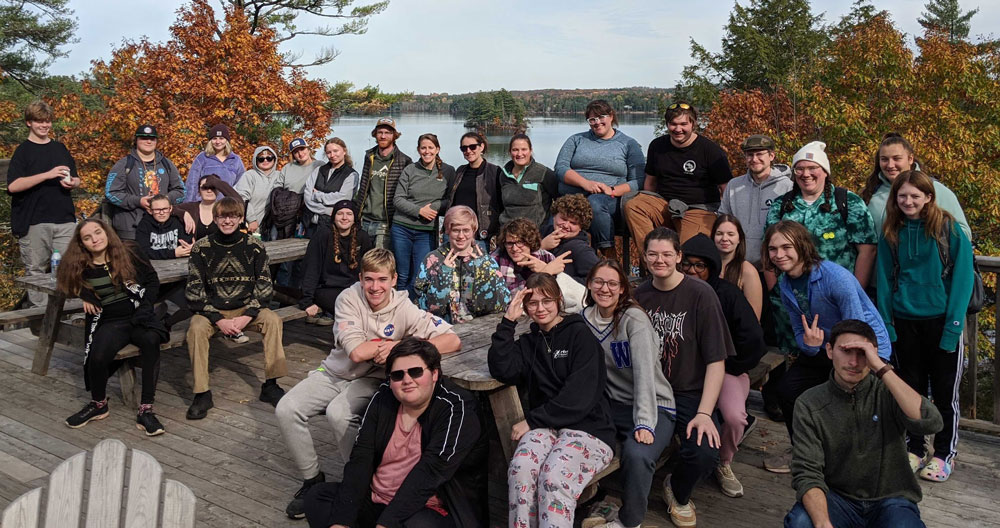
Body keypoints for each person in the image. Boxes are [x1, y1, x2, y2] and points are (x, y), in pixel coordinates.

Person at [276, 248, 461, 520]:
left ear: (394, 279)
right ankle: (312, 478)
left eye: (382, 280)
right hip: (335, 371)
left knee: (339, 413)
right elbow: (356, 352)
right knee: (286, 409)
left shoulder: (403, 307)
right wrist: (389, 347)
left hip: (371, 378)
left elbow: (452, 340)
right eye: (369, 279)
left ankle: (361, 484)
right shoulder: (348, 299)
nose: (375, 287)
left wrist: (401, 346)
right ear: (361, 278)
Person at [302, 337, 487, 528]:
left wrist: (386, 524)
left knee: (421, 525)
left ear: (434, 374)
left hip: (428, 508)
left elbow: (430, 473)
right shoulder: (383, 398)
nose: (407, 380)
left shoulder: (456, 408)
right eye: (397, 375)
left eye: (415, 372)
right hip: (378, 500)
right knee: (319, 497)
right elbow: (361, 459)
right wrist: (340, 522)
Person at [783, 319, 943, 528]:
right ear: (829, 350)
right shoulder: (809, 403)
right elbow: (807, 472)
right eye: (846, 351)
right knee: (800, 523)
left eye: (862, 353)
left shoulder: (888, 390)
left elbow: (931, 422)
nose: (854, 362)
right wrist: (823, 524)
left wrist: (881, 368)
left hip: (891, 498)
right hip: (837, 498)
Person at [488, 273, 615, 528]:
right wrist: (508, 321)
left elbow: (579, 396)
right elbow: (502, 368)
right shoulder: (529, 342)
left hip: (588, 427)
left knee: (553, 477)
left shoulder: (579, 335)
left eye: (547, 301)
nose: (540, 308)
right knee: (521, 468)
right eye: (532, 303)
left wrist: (532, 420)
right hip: (547, 427)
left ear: (558, 300)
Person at [763, 220, 890, 473]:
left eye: (786, 247)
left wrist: (839, 359)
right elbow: (800, 331)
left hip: (864, 349)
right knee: (788, 390)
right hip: (825, 348)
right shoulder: (787, 284)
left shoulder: (835, 278)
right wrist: (811, 347)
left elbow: (857, 329)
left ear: (802, 245)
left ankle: (851, 459)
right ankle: (802, 450)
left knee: (845, 400)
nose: (779, 255)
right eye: (772, 249)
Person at [875, 170, 974, 482]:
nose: (908, 201)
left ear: (928, 197)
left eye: (915, 195)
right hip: (905, 324)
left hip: (941, 322)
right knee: (911, 392)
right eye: (902, 196)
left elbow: (963, 281)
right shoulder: (892, 231)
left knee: (946, 394)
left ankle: (945, 454)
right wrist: (887, 325)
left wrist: (953, 327)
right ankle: (915, 448)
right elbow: (883, 281)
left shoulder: (948, 230)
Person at [634, 227, 731, 527]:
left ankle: (677, 490)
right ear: (645, 257)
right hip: (649, 391)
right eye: (653, 254)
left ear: (678, 256)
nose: (659, 260)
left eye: (666, 254)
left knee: (704, 452)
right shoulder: (639, 296)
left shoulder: (701, 294)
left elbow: (717, 360)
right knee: (632, 447)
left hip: (689, 391)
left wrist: (704, 412)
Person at [580, 260, 676, 528]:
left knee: (638, 454)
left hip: (654, 405)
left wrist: (645, 421)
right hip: (612, 405)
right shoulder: (584, 319)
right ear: (589, 284)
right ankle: (595, 499)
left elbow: (645, 374)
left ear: (623, 288)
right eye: (599, 281)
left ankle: (629, 521)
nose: (605, 288)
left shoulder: (634, 320)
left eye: (613, 283)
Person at [56, 218, 168, 435]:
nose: (94, 239)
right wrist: (84, 294)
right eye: (87, 238)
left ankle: (146, 409)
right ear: (82, 243)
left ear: (107, 232)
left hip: (139, 315)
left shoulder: (130, 252)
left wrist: (145, 308)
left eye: (97, 233)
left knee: (150, 341)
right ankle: (99, 404)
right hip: (109, 321)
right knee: (97, 357)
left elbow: (152, 281)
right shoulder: (80, 264)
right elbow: (64, 282)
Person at [679, 234, 766, 499]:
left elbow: (754, 340)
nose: (693, 271)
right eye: (688, 264)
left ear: (712, 267)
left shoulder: (727, 294)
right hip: (685, 372)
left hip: (726, 368)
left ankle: (724, 461)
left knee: (733, 416)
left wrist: (726, 363)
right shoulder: (674, 290)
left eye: (700, 266)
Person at [184, 197, 287, 420]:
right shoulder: (201, 248)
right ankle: (202, 393)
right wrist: (217, 318)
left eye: (233, 216)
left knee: (272, 320)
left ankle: (271, 384)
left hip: (246, 309)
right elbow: (194, 290)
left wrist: (247, 315)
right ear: (215, 218)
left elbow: (265, 286)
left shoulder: (255, 246)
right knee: (195, 327)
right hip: (212, 312)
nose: (227, 221)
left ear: (241, 218)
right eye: (222, 216)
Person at [765, 141, 877, 289]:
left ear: (825, 171)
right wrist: (774, 291)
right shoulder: (781, 205)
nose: (806, 174)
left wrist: (855, 292)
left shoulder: (848, 202)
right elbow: (768, 249)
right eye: (799, 169)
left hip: (836, 296)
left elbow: (867, 251)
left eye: (812, 168)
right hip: (792, 299)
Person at [624, 102, 731, 249]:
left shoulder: (710, 150)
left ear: (693, 124)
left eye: (683, 124)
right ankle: (652, 258)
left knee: (689, 251)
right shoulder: (657, 146)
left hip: (697, 209)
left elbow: (726, 188)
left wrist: (723, 219)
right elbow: (650, 183)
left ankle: (679, 270)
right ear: (667, 124)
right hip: (664, 206)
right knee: (633, 205)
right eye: (673, 124)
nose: (678, 129)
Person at [7, 100, 81, 307]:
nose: (44, 125)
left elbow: (76, 179)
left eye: (47, 121)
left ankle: (66, 314)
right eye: (39, 121)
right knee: (36, 272)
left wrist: (71, 183)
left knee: (69, 268)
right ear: (29, 123)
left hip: (64, 219)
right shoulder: (23, 151)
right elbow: (13, 186)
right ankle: (39, 319)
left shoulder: (60, 148)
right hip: (33, 221)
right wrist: (47, 175)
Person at [555, 99, 645, 259]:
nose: (597, 122)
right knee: (551, 222)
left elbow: (638, 180)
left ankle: (608, 256)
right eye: (592, 119)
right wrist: (585, 184)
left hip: (608, 199)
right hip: (573, 198)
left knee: (595, 204)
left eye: (601, 117)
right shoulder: (576, 140)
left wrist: (611, 190)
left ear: (611, 116)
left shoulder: (628, 144)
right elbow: (561, 168)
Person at [861, 132, 970, 242]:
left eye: (897, 158)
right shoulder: (871, 192)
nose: (890, 165)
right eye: (884, 159)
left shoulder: (934, 189)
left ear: (910, 159)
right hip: (881, 259)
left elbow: (964, 234)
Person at [414, 206, 510, 323]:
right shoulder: (432, 260)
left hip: (479, 327)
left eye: (466, 230)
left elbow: (498, 305)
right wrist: (443, 275)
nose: (461, 236)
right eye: (456, 230)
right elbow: (425, 306)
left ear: (473, 231)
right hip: (442, 326)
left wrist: (483, 272)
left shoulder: (487, 261)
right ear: (448, 231)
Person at [392, 133, 456, 294]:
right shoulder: (410, 170)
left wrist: (434, 206)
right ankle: (400, 309)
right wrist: (419, 210)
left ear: (437, 149)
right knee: (402, 275)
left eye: (430, 147)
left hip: (425, 232)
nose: (427, 151)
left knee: (419, 275)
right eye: (423, 148)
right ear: (418, 150)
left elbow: (451, 200)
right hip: (402, 228)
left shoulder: (448, 171)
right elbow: (398, 199)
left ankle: (414, 309)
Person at [718, 134, 793, 268]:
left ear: (771, 156)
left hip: (774, 265)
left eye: (759, 154)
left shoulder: (787, 187)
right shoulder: (734, 185)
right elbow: (723, 220)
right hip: (738, 263)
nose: (754, 159)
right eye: (749, 155)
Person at [298, 200, 373, 326]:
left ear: (354, 218)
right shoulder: (322, 235)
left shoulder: (362, 237)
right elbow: (311, 268)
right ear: (334, 217)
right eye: (340, 214)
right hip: (327, 289)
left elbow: (369, 268)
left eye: (349, 214)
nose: (344, 218)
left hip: (353, 288)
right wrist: (307, 300)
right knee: (350, 308)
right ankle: (346, 341)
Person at [105, 124, 184, 241]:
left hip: (162, 230)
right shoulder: (124, 164)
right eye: (143, 138)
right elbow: (111, 193)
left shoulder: (167, 164)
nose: (148, 141)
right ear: (136, 140)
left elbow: (181, 191)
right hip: (131, 230)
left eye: (152, 138)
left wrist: (165, 200)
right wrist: (138, 201)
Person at [355, 117, 414, 249]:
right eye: (380, 132)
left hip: (385, 223)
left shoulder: (404, 161)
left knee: (379, 264)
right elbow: (363, 187)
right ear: (375, 134)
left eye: (387, 133)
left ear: (394, 136)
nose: (383, 136)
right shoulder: (369, 156)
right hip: (364, 220)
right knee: (362, 261)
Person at [136, 194, 195, 328]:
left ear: (170, 209)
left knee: (192, 303)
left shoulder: (178, 223)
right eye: (157, 210)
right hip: (153, 280)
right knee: (145, 310)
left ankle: (166, 323)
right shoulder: (144, 225)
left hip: (177, 278)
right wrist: (173, 253)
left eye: (165, 209)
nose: (161, 212)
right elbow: (142, 251)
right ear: (150, 211)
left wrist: (191, 247)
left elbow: (186, 244)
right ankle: (156, 324)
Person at [449, 132, 504, 245]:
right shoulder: (460, 171)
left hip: (480, 235)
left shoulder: (495, 172)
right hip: (457, 233)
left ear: (481, 147)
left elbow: (501, 203)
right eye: (464, 148)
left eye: (472, 147)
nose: (468, 151)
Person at [497, 133, 557, 228]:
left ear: (531, 151)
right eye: (515, 150)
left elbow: (558, 199)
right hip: (508, 232)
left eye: (524, 149)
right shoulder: (503, 175)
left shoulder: (543, 173)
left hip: (535, 233)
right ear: (510, 152)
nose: (519, 154)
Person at [302, 138, 359, 235]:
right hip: (311, 225)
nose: (332, 155)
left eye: (335, 151)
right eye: (328, 152)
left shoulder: (351, 175)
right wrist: (327, 210)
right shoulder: (319, 170)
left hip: (332, 226)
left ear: (344, 151)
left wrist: (318, 195)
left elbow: (343, 198)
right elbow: (307, 197)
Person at [539, 194, 600, 284]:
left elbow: (598, 278)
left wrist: (558, 279)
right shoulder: (541, 232)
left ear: (581, 227)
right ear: (554, 216)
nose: (566, 225)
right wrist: (541, 246)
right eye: (563, 218)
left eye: (573, 223)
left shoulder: (580, 249)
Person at [712, 214, 763, 319]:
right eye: (719, 234)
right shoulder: (706, 267)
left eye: (731, 234)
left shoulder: (748, 271)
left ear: (739, 239)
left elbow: (754, 319)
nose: (724, 238)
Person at [183, 124, 245, 202]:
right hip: (204, 205)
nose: (218, 142)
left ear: (227, 141)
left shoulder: (235, 160)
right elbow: (192, 184)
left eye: (221, 138)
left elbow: (240, 185)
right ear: (210, 141)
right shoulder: (202, 158)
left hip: (226, 206)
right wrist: (189, 205)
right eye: (214, 138)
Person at [174, 174, 242, 240]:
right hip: (193, 250)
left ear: (218, 190)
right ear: (199, 191)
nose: (209, 191)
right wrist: (183, 214)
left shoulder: (224, 208)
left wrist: (217, 182)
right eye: (205, 187)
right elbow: (169, 209)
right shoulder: (190, 207)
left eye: (213, 187)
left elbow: (239, 203)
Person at [235, 145, 280, 235]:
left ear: (274, 159)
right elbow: (242, 198)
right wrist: (251, 219)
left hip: (273, 227)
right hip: (251, 226)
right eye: (261, 159)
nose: (265, 161)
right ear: (256, 161)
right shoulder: (249, 175)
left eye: (269, 158)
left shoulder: (280, 176)